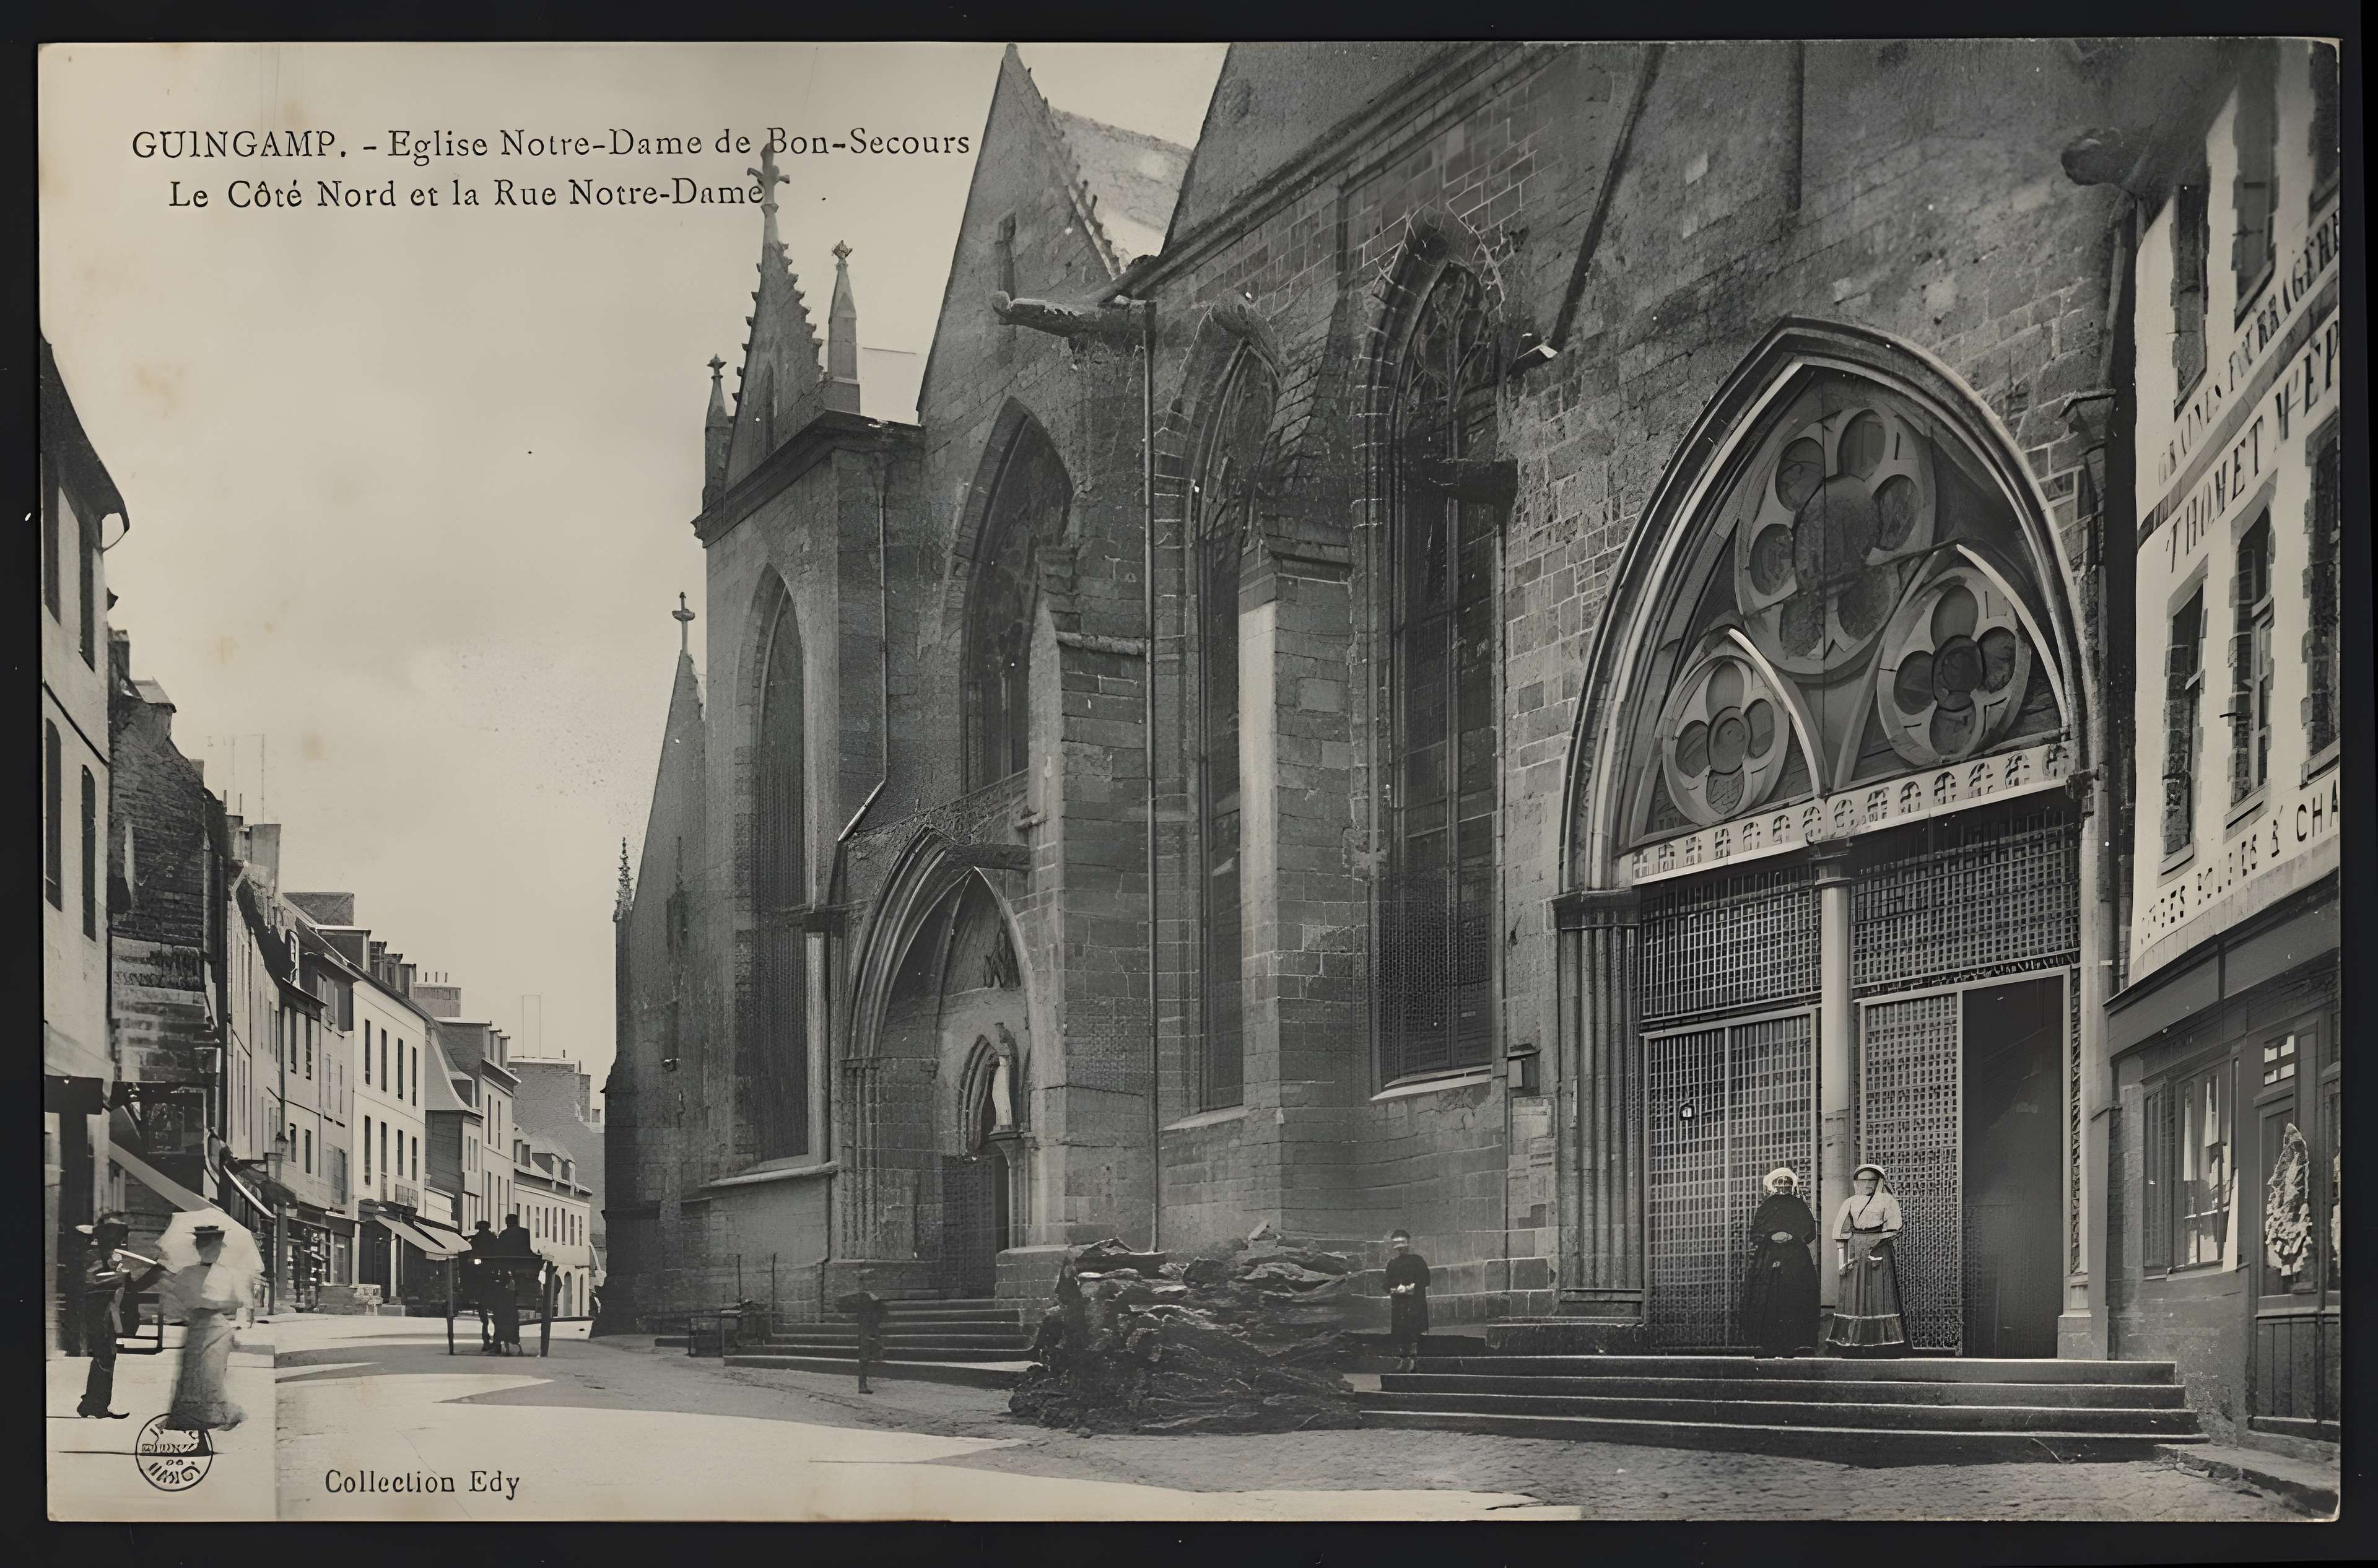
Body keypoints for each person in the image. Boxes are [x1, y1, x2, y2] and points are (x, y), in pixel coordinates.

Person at [160, 1225, 250, 1450]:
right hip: (198, 1327)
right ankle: (198, 1438)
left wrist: (236, 1324)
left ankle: (206, 1434)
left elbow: (239, 1301)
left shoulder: (227, 1273)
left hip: (218, 1329)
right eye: (206, 1246)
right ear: (198, 1248)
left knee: (211, 1378)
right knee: (193, 1379)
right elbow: (177, 1301)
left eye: (216, 1247)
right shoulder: (188, 1273)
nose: (212, 1251)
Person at [74, 1212, 165, 1419]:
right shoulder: (92, 1255)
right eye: (111, 1233)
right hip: (96, 1315)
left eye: (119, 1234)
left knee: (107, 1357)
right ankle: (96, 1405)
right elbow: (90, 1283)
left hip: (111, 1316)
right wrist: (117, 1273)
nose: (117, 1239)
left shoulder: (113, 1258)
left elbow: (133, 1289)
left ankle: (92, 1403)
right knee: (103, 1357)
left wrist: (155, 1274)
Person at [1826, 1164, 1908, 1357]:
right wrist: (1843, 1260)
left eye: (1871, 1180)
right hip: (1855, 1248)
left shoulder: (1888, 1201)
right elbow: (1841, 1231)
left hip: (1878, 1248)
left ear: (1878, 1180)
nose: (1866, 1184)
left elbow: (1895, 1227)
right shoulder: (1850, 1202)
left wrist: (1876, 1240)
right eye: (1862, 1180)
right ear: (1856, 1183)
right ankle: (1851, 1341)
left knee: (1879, 1293)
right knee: (1853, 1294)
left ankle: (1883, 1344)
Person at [1741, 1167, 1819, 1358]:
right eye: (1779, 1182)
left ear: (1791, 1186)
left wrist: (1791, 1236)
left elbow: (1809, 1230)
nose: (1783, 1185)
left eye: (1786, 1182)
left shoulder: (1800, 1206)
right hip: (1768, 1256)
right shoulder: (1766, 1206)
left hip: (1795, 1257)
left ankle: (1793, 1344)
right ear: (1772, 1185)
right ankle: (1765, 1344)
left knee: (1793, 1295)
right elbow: (1757, 1231)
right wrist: (1772, 1236)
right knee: (1766, 1296)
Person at [1383, 1230, 1430, 1373]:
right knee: (1400, 1330)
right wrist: (1396, 1289)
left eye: (1403, 1245)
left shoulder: (1418, 1261)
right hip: (1399, 1303)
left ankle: (1414, 1359)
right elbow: (1386, 1283)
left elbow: (1425, 1280)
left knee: (1414, 1329)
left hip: (1415, 1302)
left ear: (1408, 1245)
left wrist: (1411, 1287)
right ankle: (1403, 1359)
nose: (1401, 1249)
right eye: (1398, 1246)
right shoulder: (1393, 1264)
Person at [464, 1221, 499, 1351]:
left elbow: (471, 1256)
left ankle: (488, 1339)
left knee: (484, 1316)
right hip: (491, 1277)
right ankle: (492, 1339)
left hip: (480, 1278)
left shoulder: (476, 1239)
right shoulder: (493, 1239)